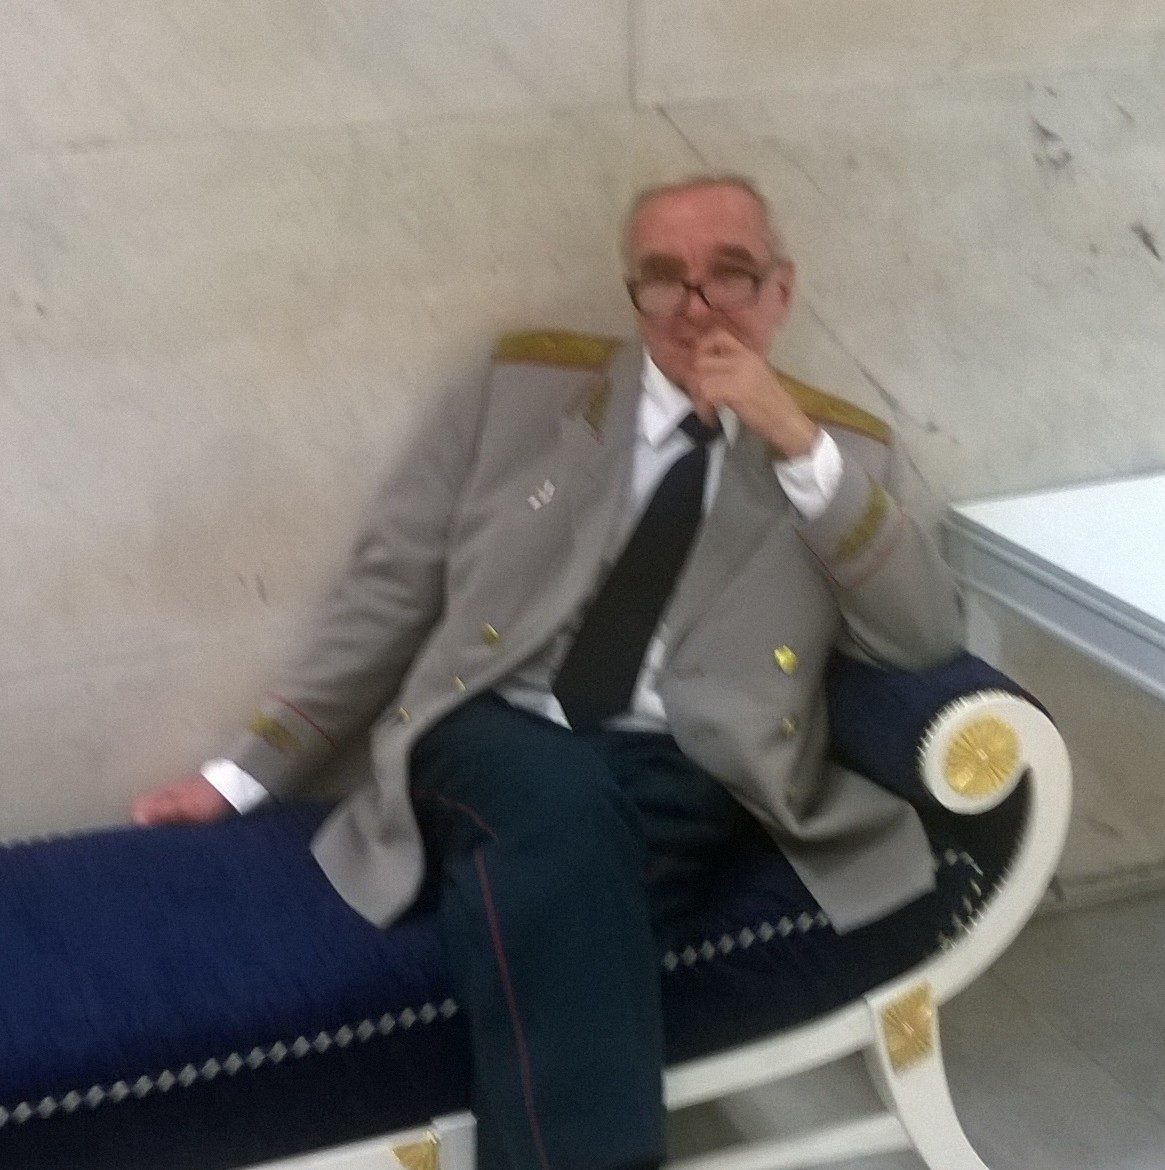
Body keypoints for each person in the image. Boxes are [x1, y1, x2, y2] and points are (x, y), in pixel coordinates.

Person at [132, 175, 963, 1170]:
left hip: (689, 774)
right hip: (487, 732)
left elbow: (920, 637)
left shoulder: (843, 454)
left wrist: (794, 444)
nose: (696, 307)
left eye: (729, 275)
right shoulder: (522, 391)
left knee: (557, 899)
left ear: (780, 291)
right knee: (559, 806)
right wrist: (243, 773)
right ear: (633, 295)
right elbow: (389, 590)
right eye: (664, 279)